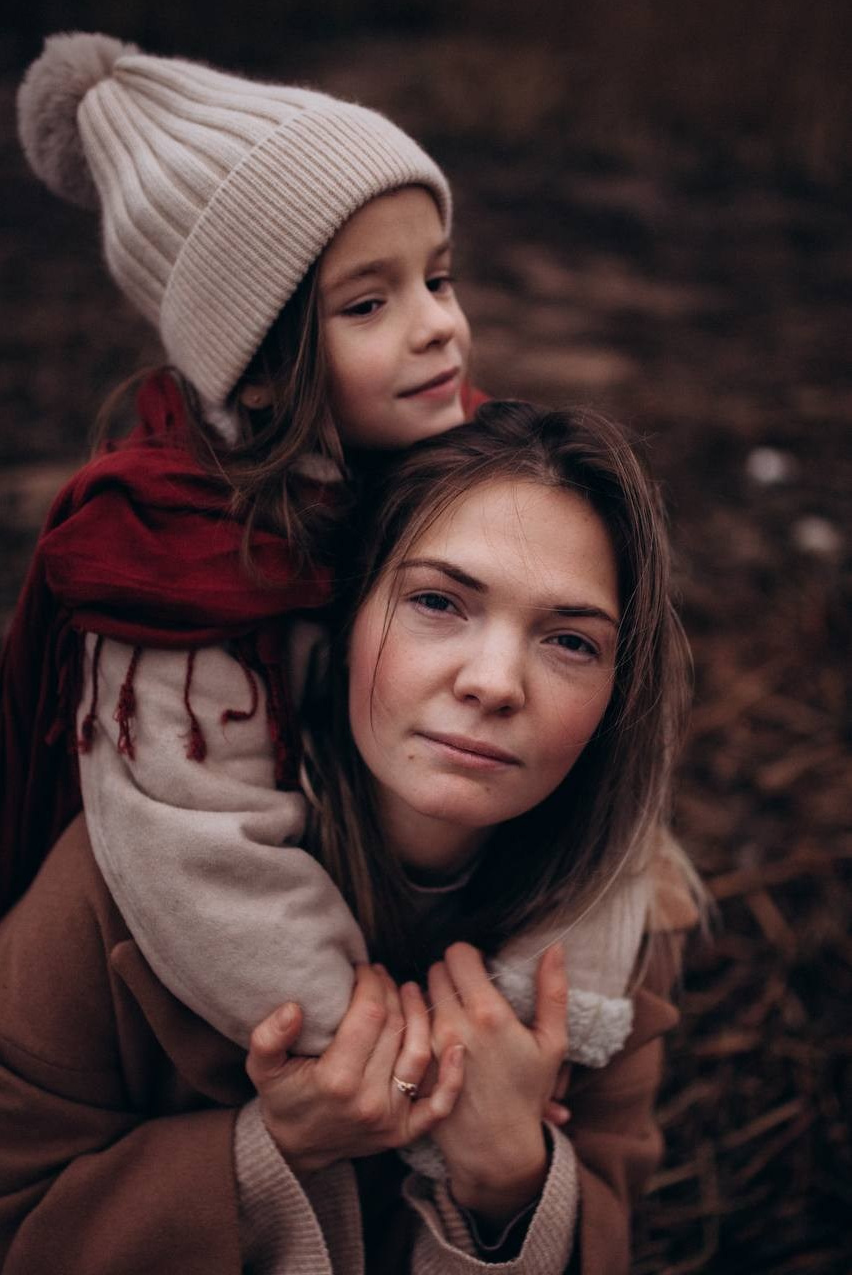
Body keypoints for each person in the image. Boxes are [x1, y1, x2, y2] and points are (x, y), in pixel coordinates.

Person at [0, 401, 700, 1274]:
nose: (494, 683)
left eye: (569, 641)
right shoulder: (124, 885)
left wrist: (511, 1177)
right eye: (439, 601)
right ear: (347, 620)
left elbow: (612, 1224)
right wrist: (271, 1151)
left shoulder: (618, 931)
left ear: (617, 697)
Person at [1, 31, 481, 1010]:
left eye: (436, 277)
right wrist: (384, 1054)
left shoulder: (452, 466)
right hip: (238, 1012)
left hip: (409, 919)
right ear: (258, 372)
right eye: (368, 303)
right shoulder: (167, 568)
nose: (438, 323)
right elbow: (210, 875)